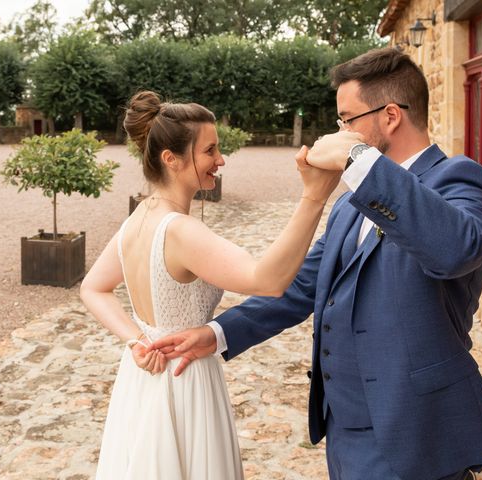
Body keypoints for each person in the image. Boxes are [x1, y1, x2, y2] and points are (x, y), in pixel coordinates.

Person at [149, 48, 482, 480]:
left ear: (391, 116)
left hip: (416, 428)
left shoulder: (459, 179)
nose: (339, 131)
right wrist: (218, 333)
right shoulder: (349, 202)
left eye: (347, 120)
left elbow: (456, 250)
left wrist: (360, 159)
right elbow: (306, 284)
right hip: (346, 430)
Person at [79, 90, 341, 479]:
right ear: (171, 159)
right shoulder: (181, 231)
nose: (221, 160)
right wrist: (313, 197)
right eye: (210, 150)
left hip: (142, 380)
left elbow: (92, 288)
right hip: (185, 380)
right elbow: (266, 281)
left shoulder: (138, 218)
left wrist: (137, 341)